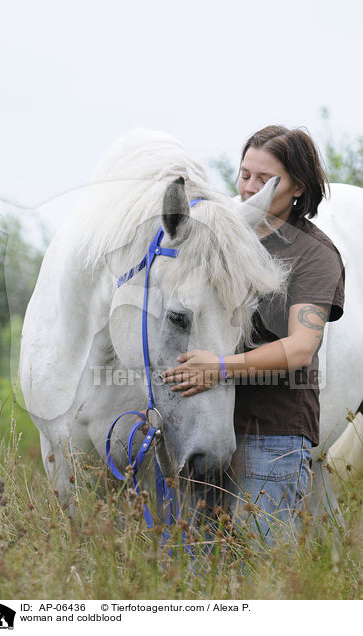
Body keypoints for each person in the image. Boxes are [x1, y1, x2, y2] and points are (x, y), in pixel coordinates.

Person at [162, 125, 345, 542]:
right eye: (245, 174)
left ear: (298, 186)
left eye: (265, 180)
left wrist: (219, 367)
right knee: (196, 574)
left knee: (260, 576)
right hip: (205, 431)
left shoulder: (313, 254)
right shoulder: (219, 233)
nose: (249, 188)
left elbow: (300, 348)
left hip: (272, 438)